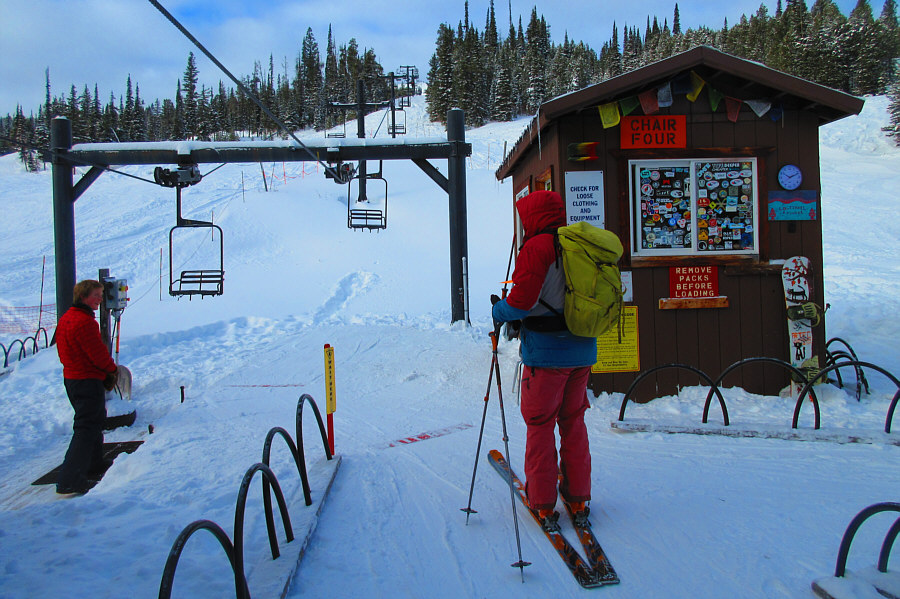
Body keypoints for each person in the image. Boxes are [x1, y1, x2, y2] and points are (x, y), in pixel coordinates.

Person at [491, 190, 597, 531]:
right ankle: (578, 498)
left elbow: (521, 304)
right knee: (573, 423)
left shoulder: (537, 248)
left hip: (547, 356)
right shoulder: (577, 244)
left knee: (540, 425)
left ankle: (543, 504)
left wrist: (498, 309)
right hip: (583, 351)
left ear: (532, 217)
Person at [55, 280, 118, 495]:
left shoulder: (67, 318)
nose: (100, 299)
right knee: (86, 427)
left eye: (101, 295)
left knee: (93, 421)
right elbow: (96, 353)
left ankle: (94, 463)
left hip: (73, 378)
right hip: (86, 379)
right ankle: (70, 479)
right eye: (96, 295)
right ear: (83, 297)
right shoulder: (84, 322)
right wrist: (111, 369)